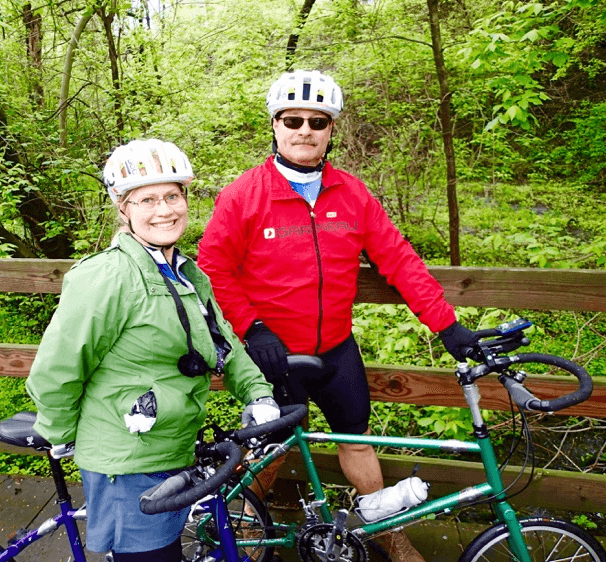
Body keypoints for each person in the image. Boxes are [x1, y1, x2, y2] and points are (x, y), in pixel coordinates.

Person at [197, 70, 478, 562]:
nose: (305, 130)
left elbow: (399, 260)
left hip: (336, 350)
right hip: (274, 351)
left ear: (331, 131)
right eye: (293, 119)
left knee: (356, 440)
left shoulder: (352, 194)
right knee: (271, 450)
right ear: (276, 125)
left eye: (317, 121)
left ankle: (386, 530)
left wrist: (447, 325)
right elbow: (213, 269)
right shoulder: (244, 195)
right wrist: (251, 327)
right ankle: (240, 528)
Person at [25, 139, 280, 562]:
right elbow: (57, 368)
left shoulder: (186, 272)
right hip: (126, 460)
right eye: (147, 199)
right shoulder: (107, 277)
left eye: (172, 195)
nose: (164, 209)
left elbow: (224, 343)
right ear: (123, 209)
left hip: (174, 445)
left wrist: (258, 393)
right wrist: (60, 433)